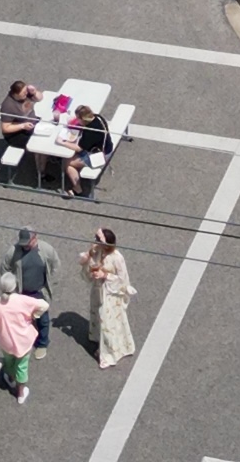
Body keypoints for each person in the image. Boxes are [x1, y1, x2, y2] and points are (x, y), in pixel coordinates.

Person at [0, 271, 48, 406]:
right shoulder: (23, 300)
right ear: (15, 286)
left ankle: (10, 377)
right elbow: (44, 305)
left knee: (9, 361)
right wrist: (35, 315)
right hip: (24, 341)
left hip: (6, 342)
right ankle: (21, 393)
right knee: (22, 367)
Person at [80, 227, 137, 367]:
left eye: (98, 240)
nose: (95, 242)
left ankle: (110, 352)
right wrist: (90, 262)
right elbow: (89, 266)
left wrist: (105, 275)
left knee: (108, 322)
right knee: (98, 317)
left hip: (111, 295)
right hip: (98, 291)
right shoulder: (97, 251)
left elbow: (123, 279)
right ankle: (99, 340)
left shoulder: (117, 257)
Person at [1, 227, 60, 361]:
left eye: (27, 243)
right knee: (21, 318)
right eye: (23, 243)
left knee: (43, 319)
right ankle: (24, 340)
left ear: (35, 238)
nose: (25, 246)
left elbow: (56, 264)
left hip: (40, 292)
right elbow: (4, 268)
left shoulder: (46, 250)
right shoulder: (14, 251)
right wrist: (10, 287)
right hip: (21, 292)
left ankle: (42, 343)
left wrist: (51, 282)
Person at [62, 104, 112, 197]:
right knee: (74, 155)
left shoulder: (90, 131)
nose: (77, 120)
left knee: (67, 162)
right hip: (107, 148)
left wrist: (63, 142)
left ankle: (77, 190)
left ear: (83, 119)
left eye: (78, 119)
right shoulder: (98, 117)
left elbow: (79, 148)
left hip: (99, 156)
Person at [0, 81, 46, 179]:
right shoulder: (8, 106)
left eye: (26, 92)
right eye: (24, 93)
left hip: (32, 123)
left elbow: (40, 98)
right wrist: (22, 126)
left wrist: (34, 92)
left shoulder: (25, 94)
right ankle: (40, 173)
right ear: (15, 94)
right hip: (17, 134)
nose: (26, 94)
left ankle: (48, 159)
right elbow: (5, 128)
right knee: (40, 145)